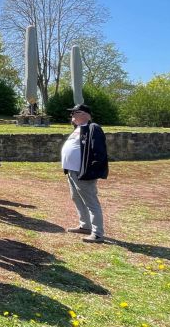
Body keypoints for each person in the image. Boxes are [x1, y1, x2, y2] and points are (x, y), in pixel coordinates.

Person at [62, 104, 108, 243]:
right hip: (72, 171)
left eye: (76, 113)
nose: (72, 115)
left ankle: (98, 233)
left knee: (91, 202)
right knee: (76, 197)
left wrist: (91, 170)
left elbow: (99, 152)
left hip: (83, 172)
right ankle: (85, 226)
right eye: (72, 113)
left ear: (86, 115)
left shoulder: (93, 128)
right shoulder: (78, 129)